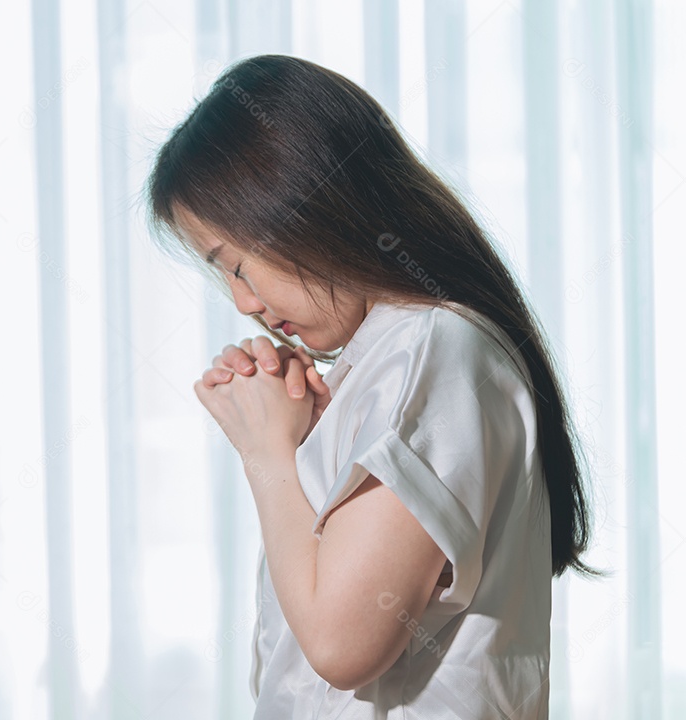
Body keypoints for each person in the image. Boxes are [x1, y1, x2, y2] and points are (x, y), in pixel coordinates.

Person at [144, 54, 601, 719]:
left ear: (305, 204)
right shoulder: (396, 356)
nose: (242, 303)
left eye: (237, 266)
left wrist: (267, 454)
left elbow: (340, 644)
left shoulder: (430, 348)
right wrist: (307, 439)